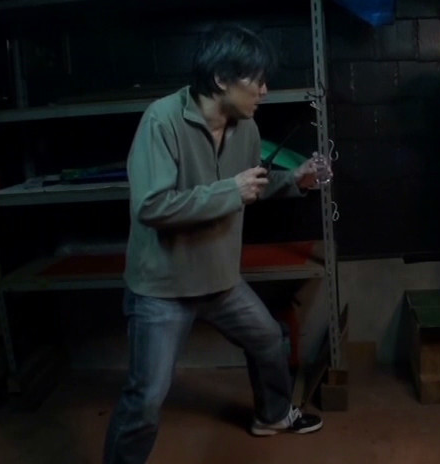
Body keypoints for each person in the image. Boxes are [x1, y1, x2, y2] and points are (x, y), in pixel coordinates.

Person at [103, 24, 323, 464]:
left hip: (220, 280)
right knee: (146, 397)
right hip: (162, 288)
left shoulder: (247, 127)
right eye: (256, 79)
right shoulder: (161, 121)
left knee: (269, 339)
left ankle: (272, 415)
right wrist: (230, 190)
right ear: (222, 78)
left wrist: (295, 181)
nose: (264, 90)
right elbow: (152, 206)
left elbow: (250, 186)